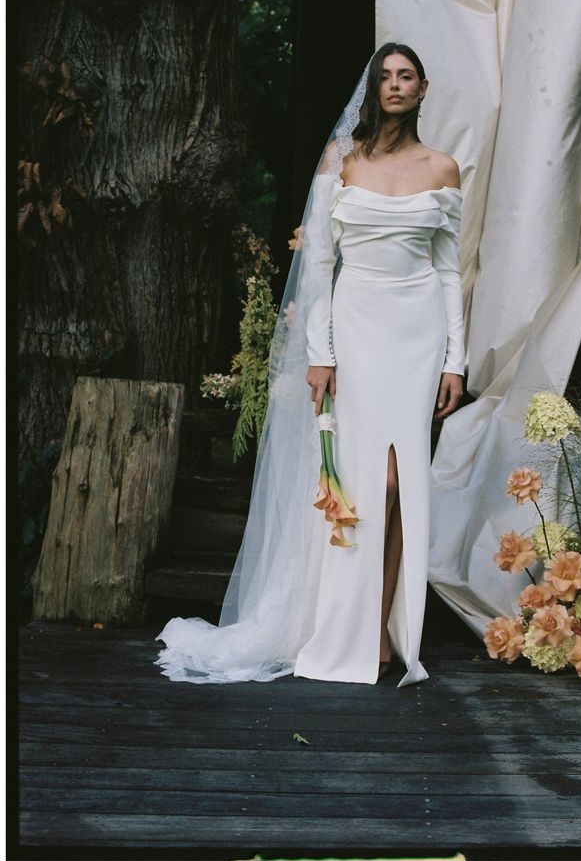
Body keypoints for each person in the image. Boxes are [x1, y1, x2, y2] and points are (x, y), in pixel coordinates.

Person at [155, 43, 465, 687]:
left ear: (424, 88)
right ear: (373, 89)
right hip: (354, 327)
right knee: (365, 484)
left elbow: (447, 271)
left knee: (403, 484)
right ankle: (345, 625)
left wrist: (453, 362)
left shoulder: (443, 169)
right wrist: (321, 354)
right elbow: (321, 266)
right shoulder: (340, 163)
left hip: (418, 333)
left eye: (407, 76)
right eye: (385, 76)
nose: (396, 86)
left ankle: (382, 629)